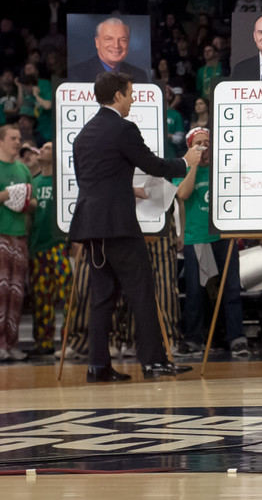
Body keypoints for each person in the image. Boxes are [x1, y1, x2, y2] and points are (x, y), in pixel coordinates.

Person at [69, 72, 200, 382]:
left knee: (102, 297)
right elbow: (153, 165)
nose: (132, 99)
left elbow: (94, 181)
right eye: (129, 93)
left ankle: (97, 367)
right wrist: (186, 161)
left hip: (91, 226)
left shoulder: (84, 134)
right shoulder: (123, 128)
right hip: (119, 226)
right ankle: (153, 362)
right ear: (117, 96)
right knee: (141, 291)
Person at [174, 127, 248, 357]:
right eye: (199, 144)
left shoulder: (221, 171)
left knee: (231, 288)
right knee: (196, 290)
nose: (204, 148)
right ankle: (194, 338)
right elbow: (183, 195)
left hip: (222, 237)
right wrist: (194, 163)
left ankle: (236, 338)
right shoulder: (183, 168)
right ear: (190, 146)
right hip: (197, 238)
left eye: (207, 143)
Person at [27, 141, 71, 356]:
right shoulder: (33, 182)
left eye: (47, 148)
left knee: (69, 295)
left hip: (59, 246)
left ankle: (68, 341)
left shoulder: (63, 182)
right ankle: (42, 344)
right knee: (41, 298)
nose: (41, 151)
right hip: (37, 247)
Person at [0, 124, 34, 361]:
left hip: (19, 237)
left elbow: (31, 204)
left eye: (19, 138)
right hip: (0, 235)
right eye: (12, 138)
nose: (17, 142)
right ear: (1, 141)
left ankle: (11, 344)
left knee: (16, 293)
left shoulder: (24, 169)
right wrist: (9, 194)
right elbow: (9, 195)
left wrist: (25, 201)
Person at [69, 17, 149, 83]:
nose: (116, 45)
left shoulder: (139, 76)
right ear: (97, 42)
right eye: (109, 39)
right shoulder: (76, 74)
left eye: (122, 40)